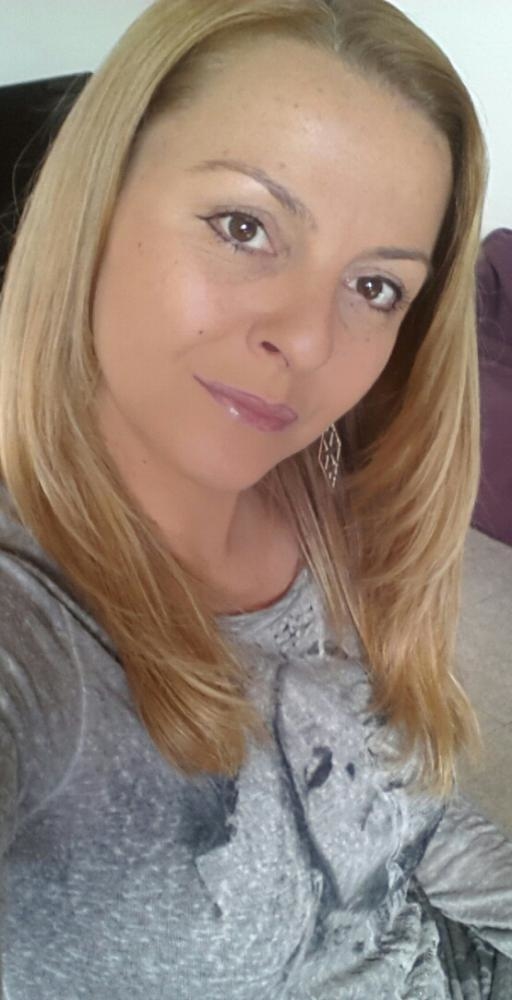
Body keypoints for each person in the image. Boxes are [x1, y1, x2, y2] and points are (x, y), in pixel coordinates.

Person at [0, 0, 510, 996]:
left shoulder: (318, 503)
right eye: (244, 226)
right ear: (95, 200)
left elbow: (393, 801)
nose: (309, 340)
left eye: (375, 287)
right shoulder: (32, 634)